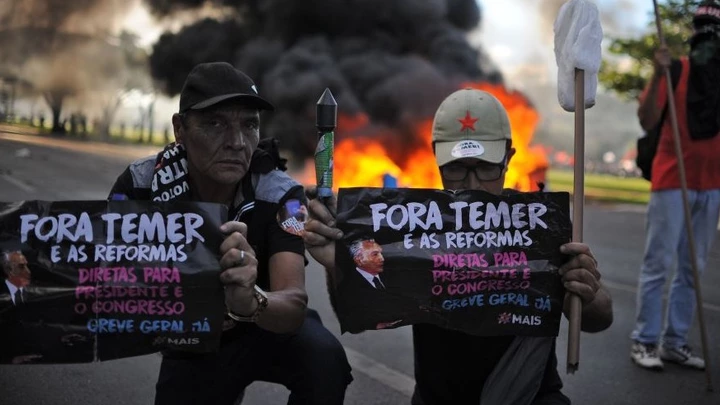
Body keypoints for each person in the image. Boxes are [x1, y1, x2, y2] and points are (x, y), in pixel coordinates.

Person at [304, 88, 613, 405]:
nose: (472, 183)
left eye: (486, 166)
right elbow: (354, 310)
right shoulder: (411, 225)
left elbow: (598, 319)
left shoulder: (539, 225)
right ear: (436, 160)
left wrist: (587, 293)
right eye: (456, 168)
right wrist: (338, 260)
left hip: (529, 395)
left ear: (508, 159)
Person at [108, 62, 352, 405]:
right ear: (180, 128)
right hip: (192, 337)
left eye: (249, 125)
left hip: (267, 325)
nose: (237, 142)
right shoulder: (142, 184)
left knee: (324, 359)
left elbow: (294, 303)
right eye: (215, 123)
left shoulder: (278, 192)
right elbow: (109, 281)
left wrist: (250, 301)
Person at [630, 0, 720, 371]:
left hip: (712, 185)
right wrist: (657, 73)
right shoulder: (676, 71)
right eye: (703, 28)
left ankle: (674, 342)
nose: (708, 38)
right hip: (672, 180)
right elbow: (648, 119)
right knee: (658, 264)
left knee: (693, 268)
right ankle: (645, 340)